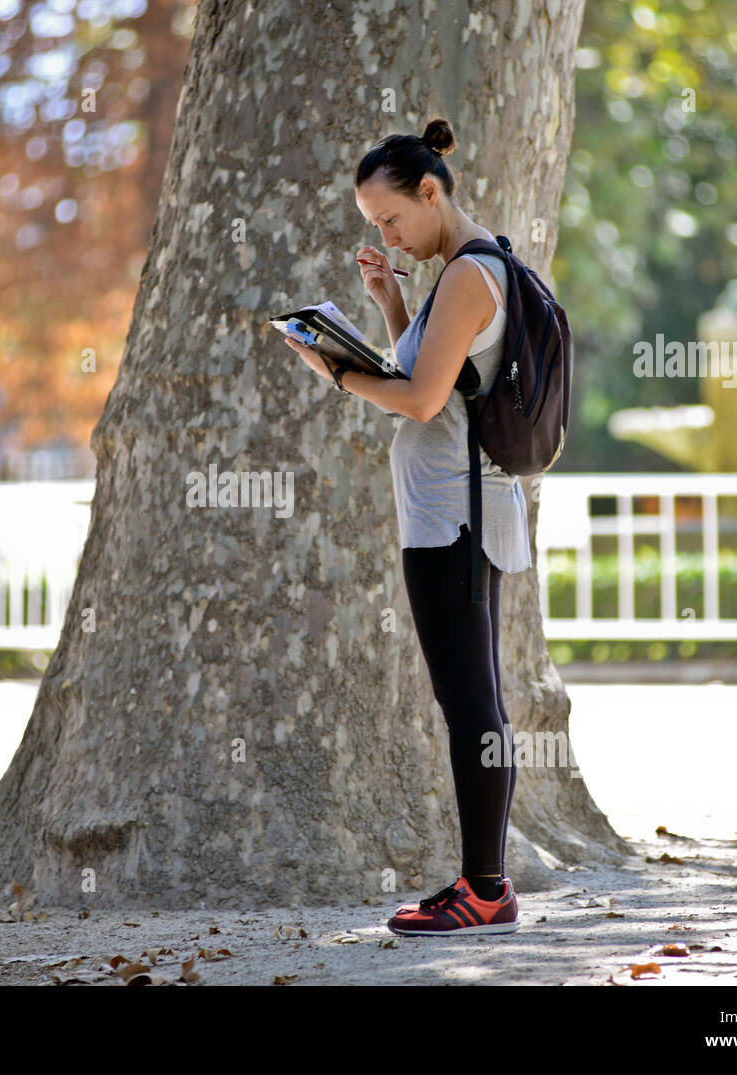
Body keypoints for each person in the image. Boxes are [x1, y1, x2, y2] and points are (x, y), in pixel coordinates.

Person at [283, 116, 531, 936]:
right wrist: (391, 304)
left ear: (431, 192)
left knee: (472, 706)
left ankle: (486, 888)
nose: (386, 235)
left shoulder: (469, 274)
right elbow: (440, 386)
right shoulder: (458, 271)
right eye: (373, 228)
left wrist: (339, 375)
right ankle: (484, 881)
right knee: (475, 699)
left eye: (391, 219)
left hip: (454, 519)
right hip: (455, 513)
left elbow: (420, 402)